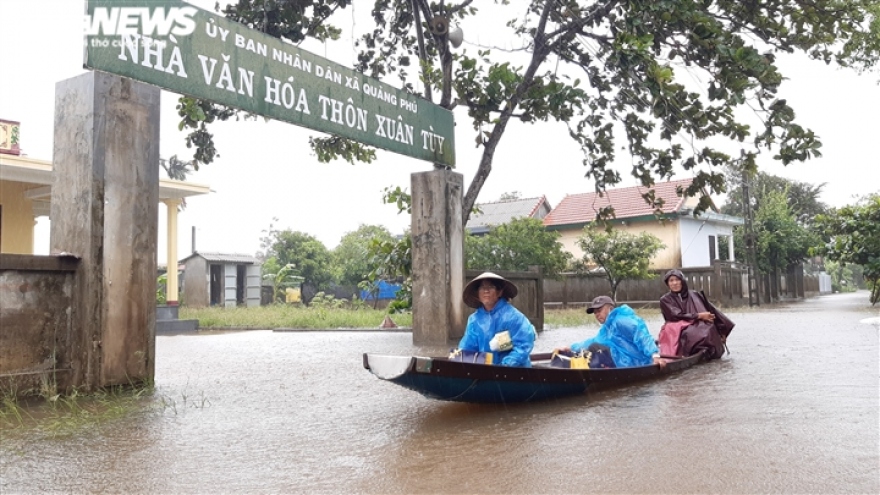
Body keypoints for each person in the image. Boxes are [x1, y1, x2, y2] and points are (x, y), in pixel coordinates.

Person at [455, 272, 536, 367]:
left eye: (491, 287)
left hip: (514, 374)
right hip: (485, 373)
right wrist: (460, 360)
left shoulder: (514, 317)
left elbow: (523, 344)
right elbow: (468, 347)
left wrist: (505, 366)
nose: (486, 291)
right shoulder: (474, 320)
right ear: (477, 293)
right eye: (482, 287)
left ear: (499, 292)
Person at [560, 296, 665, 368]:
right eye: (595, 312)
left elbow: (641, 335)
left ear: (610, 308)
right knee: (592, 346)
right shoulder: (606, 327)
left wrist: (655, 355)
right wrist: (571, 347)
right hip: (620, 360)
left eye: (599, 310)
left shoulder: (621, 320)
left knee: (595, 348)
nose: (597, 314)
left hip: (636, 361)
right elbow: (594, 340)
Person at [659, 269, 735, 360]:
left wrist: (721, 330)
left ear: (682, 281)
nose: (674, 283)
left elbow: (712, 310)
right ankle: (688, 354)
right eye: (671, 281)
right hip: (676, 327)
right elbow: (676, 315)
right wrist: (699, 316)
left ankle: (709, 353)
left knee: (708, 328)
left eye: (677, 280)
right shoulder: (665, 299)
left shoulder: (694, 294)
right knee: (690, 333)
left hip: (697, 323)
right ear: (668, 283)